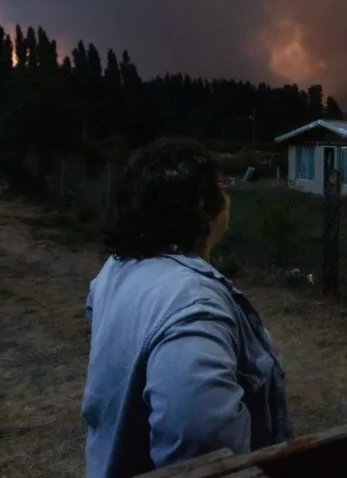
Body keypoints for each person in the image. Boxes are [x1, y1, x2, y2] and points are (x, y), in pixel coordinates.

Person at [81, 137, 292, 478]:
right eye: (221, 185)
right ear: (201, 204)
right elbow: (202, 440)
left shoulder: (116, 270)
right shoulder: (195, 302)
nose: (228, 195)